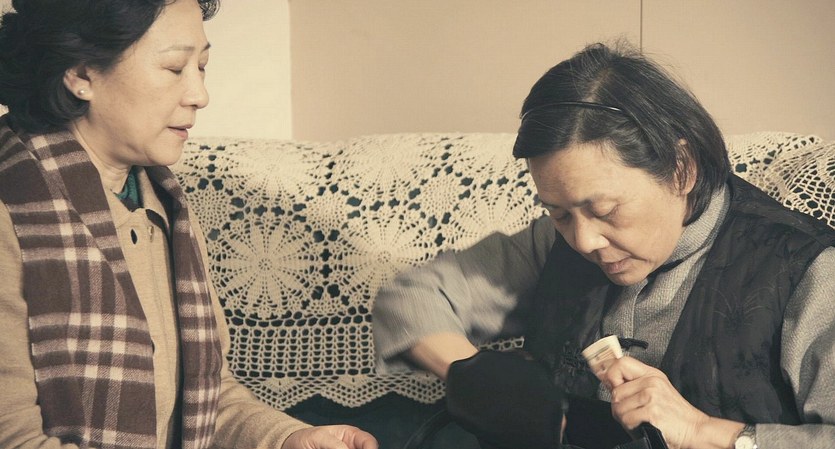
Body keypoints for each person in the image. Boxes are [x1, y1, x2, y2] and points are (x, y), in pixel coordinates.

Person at [373, 42, 835, 449]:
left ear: (682, 169)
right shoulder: (555, 243)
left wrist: (706, 432)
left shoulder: (808, 272)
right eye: (558, 212)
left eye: (606, 210)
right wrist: (479, 379)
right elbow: (411, 299)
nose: (584, 241)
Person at [0, 1, 377, 448]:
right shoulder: (12, 208)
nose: (200, 95)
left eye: (201, 67)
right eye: (175, 68)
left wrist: (289, 438)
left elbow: (206, 397)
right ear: (82, 74)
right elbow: (13, 437)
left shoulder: (164, 203)